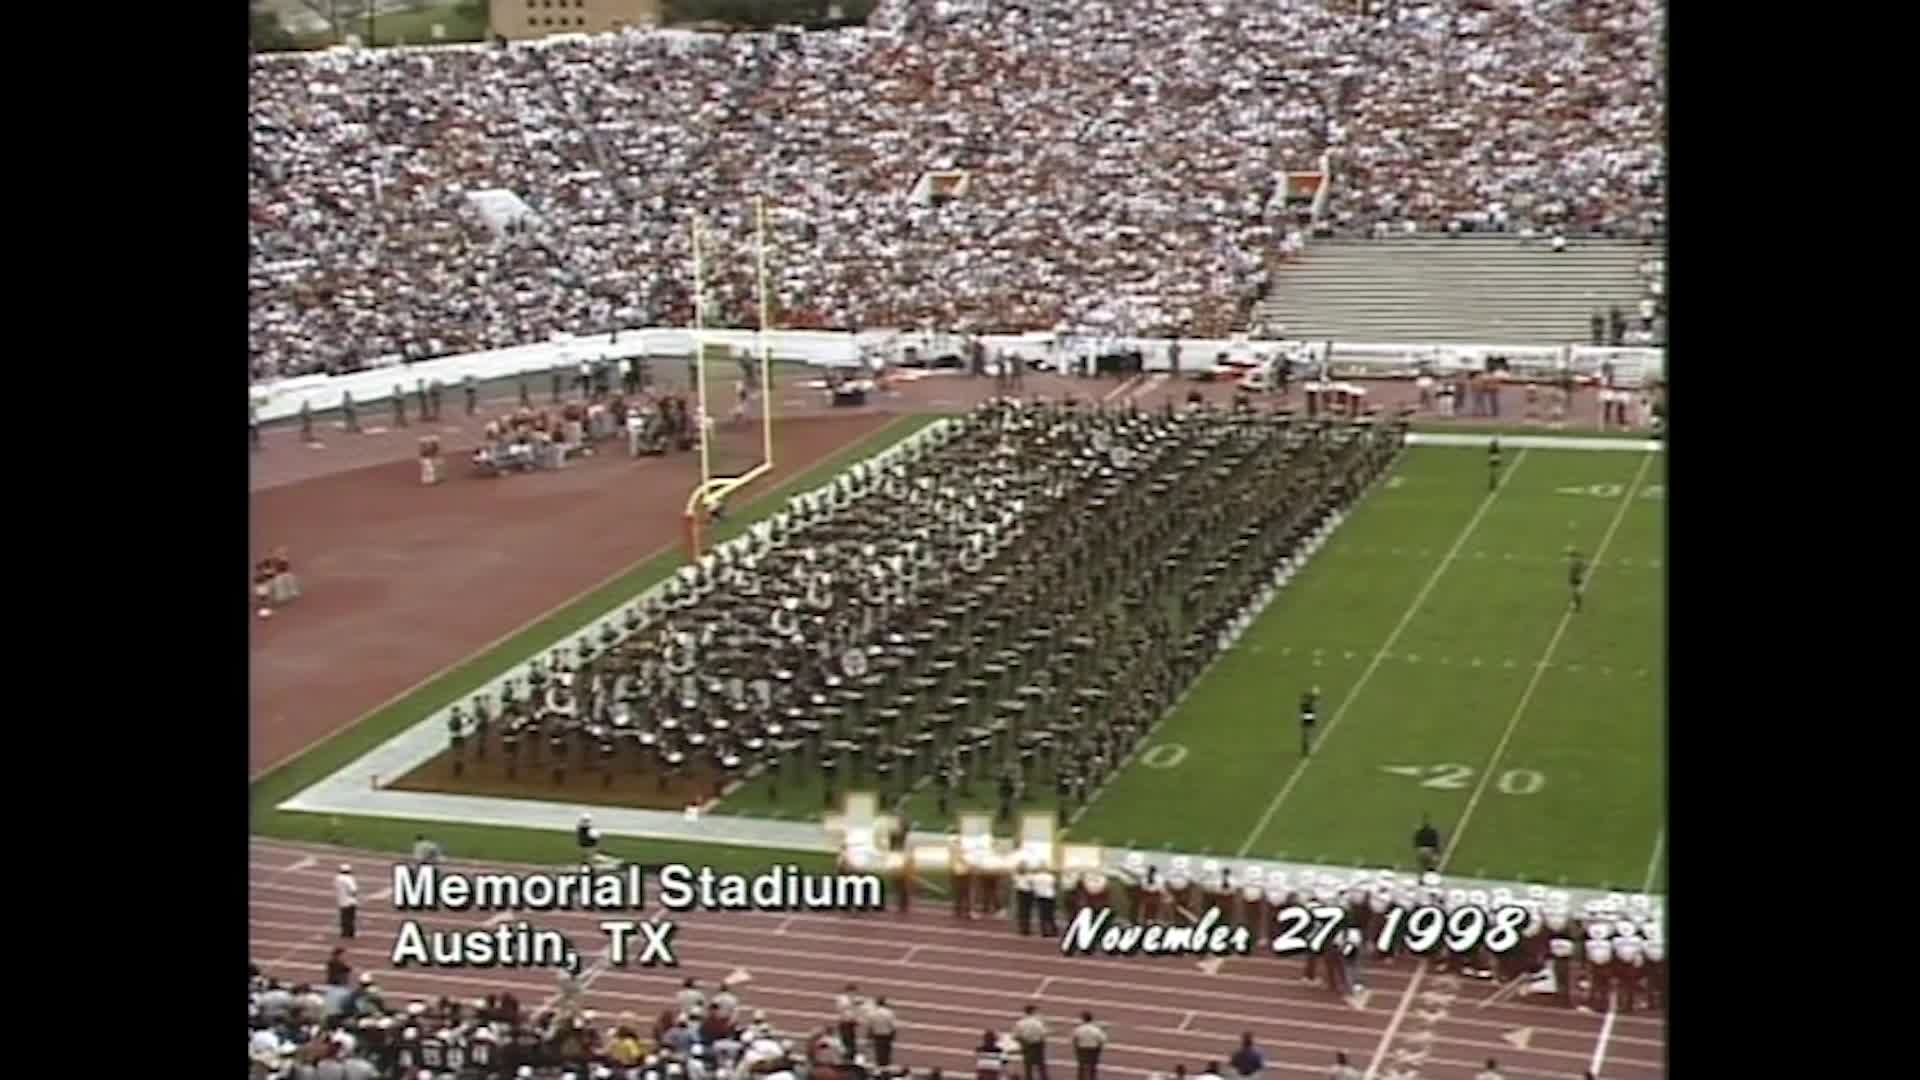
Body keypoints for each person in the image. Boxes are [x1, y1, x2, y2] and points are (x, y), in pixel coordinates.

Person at [1013, 1004, 1049, 1080]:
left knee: (1028, 1068)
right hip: (1037, 1046)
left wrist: (1023, 1042)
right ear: (1033, 1012)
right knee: (1041, 1067)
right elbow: (1043, 1034)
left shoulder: (1020, 1023)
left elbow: (1016, 1036)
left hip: (1026, 1046)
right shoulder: (1038, 1023)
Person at [1071, 1013, 1106, 1080]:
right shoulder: (1096, 1030)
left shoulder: (1079, 1029)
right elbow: (1102, 1040)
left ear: (1083, 1019)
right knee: (1093, 1067)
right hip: (1093, 1050)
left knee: (1081, 1066)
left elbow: (1074, 1039)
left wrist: (1076, 1048)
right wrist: (1099, 1049)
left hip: (1082, 1049)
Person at [867, 996, 898, 1067]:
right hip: (887, 1035)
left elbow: (870, 1026)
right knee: (886, 1053)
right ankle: (886, 1066)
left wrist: (869, 1037)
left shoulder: (873, 1013)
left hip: (877, 1034)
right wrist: (894, 1035)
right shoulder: (889, 1013)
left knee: (879, 1052)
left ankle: (880, 1066)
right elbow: (893, 1025)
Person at [335, 863, 359, 939]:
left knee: (344, 918)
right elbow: (354, 890)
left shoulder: (337, 878)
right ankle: (350, 933)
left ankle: (344, 932)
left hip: (341, 901)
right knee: (350, 918)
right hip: (350, 901)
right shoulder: (349, 879)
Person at [1299, 686, 1319, 757]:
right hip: (1307, 714)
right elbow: (1306, 707)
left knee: (1307, 732)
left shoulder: (1308, 699)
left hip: (1308, 714)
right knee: (1307, 732)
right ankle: (1306, 749)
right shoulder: (1308, 700)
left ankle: (1306, 748)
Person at [1568, 548, 1587, 613]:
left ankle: (1576, 605)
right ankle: (1576, 605)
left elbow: (1573, 571)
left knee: (1575, 592)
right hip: (1578, 578)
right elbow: (1584, 567)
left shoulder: (1573, 562)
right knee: (1576, 592)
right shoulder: (1579, 561)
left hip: (1574, 578)